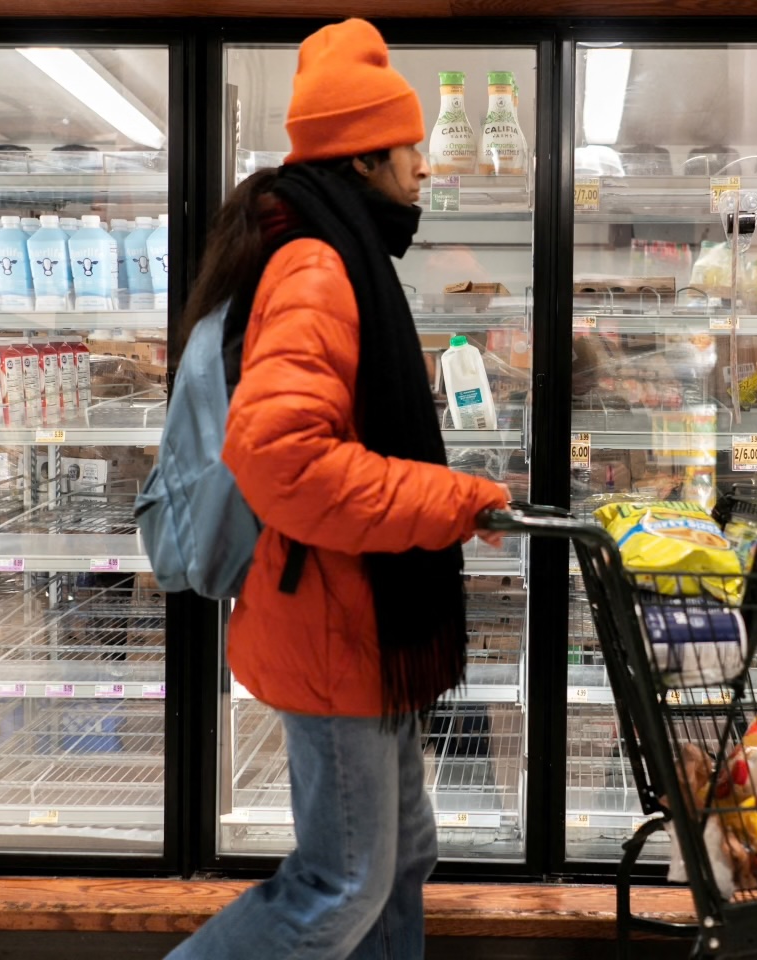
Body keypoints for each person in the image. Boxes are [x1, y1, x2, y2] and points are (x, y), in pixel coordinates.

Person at [165, 18, 509, 960]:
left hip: (360, 618)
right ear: (364, 154)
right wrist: (450, 498)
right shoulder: (319, 264)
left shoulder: (340, 251)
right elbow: (284, 459)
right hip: (332, 622)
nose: (425, 166)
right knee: (341, 882)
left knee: (402, 856)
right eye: (412, 145)